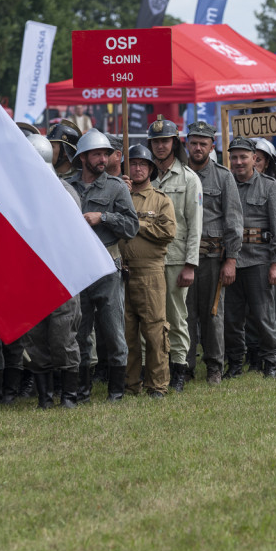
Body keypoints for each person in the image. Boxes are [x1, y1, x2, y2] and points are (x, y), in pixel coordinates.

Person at [69, 129, 139, 402]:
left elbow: (132, 226)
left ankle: (116, 392)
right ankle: (83, 391)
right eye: (97, 154)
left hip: (108, 266)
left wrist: (104, 217)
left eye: (106, 154)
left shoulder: (116, 187)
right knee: (81, 331)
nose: (103, 159)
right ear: (83, 157)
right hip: (77, 267)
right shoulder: (67, 186)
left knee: (113, 330)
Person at [19, 133, 84, 409]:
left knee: (63, 338)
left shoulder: (66, 193)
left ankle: (69, 396)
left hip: (61, 276)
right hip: (31, 278)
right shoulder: (18, 197)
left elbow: (74, 237)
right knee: (34, 340)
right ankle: (45, 398)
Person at [223, 137, 276, 379]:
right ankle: (235, 363)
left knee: (263, 316)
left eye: (244, 157)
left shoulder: (270, 186)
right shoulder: (225, 183)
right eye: (235, 157)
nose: (239, 162)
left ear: (254, 158)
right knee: (231, 318)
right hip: (230, 260)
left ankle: (271, 360)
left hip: (260, 260)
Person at [184, 121, 242, 385]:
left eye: (203, 144)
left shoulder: (224, 177)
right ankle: (183, 366)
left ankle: (214, 368)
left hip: (212, 258)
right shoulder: (178, 174)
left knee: (213, 315)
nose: (198, 148)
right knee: (184, 315)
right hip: (182, 257)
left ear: (212, 146)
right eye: (194, 142)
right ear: (186, 142)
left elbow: (234, 222)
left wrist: (231, 260)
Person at [148, 117, 202, 393]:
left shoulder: (189, 179)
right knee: (150, 316)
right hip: (147, 259)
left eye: (165, 141)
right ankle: (158, 369)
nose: (160, 146)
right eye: (155, 142)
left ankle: (180, 367)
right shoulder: (142, 176)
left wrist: (191, 264)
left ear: (174, 143)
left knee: (177, 316)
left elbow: (195, 225)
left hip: (177, 258)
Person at [121, 144, 176, 397]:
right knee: (127, 332)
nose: (138, 168)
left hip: (150, 274)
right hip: (122, 272)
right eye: (133, 164)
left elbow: (167, 232)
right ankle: (130, 384)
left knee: (154, 331)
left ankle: (157, 384)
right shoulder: (119, 195)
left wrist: (137, 222)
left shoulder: (160, 200)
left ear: (151, 169)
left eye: (143, 164)